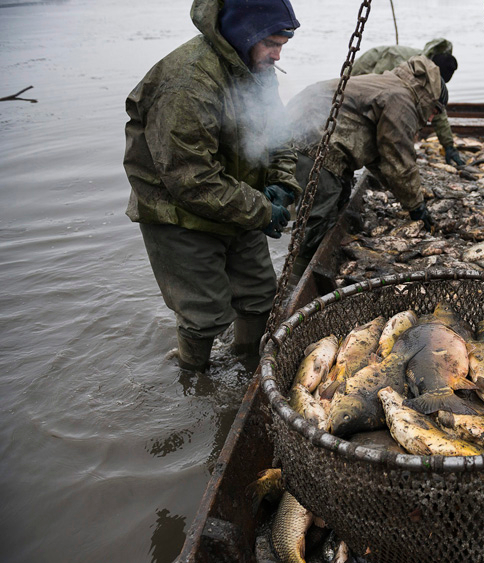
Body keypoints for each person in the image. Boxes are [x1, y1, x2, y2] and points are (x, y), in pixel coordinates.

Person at [123, 0, 301, 371]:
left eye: (283, 43)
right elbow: (191, 179)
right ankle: (192, 373)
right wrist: (262, 210)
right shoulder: (188, 81)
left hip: (239, 200)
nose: (278, 53)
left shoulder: (258, 69)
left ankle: (247, 367)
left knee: (259, 296)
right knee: (204, 313)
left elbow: (279, 136)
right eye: (271, 42)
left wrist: (282, 184)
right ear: (244, 33)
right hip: (178, 211)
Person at [285, 55, 443, 272]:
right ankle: (298, 275)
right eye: (435, 111)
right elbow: (399, 159)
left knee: (331, 200)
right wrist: (416, 208)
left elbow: (381, 156)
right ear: (429, 98)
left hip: (305, 130)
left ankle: (303, 265)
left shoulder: (392, 85)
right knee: (317, 219)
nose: (432, 119)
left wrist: (397, 190)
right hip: (313, 141)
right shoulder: (401, 99)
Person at [351, 38, 465, 167]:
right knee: (374, 121)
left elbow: (436, 110)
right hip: (361, 76)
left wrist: (449, 145)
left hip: (379, 85)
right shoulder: (406, 65)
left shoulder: (429, 75)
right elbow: (376, 89)